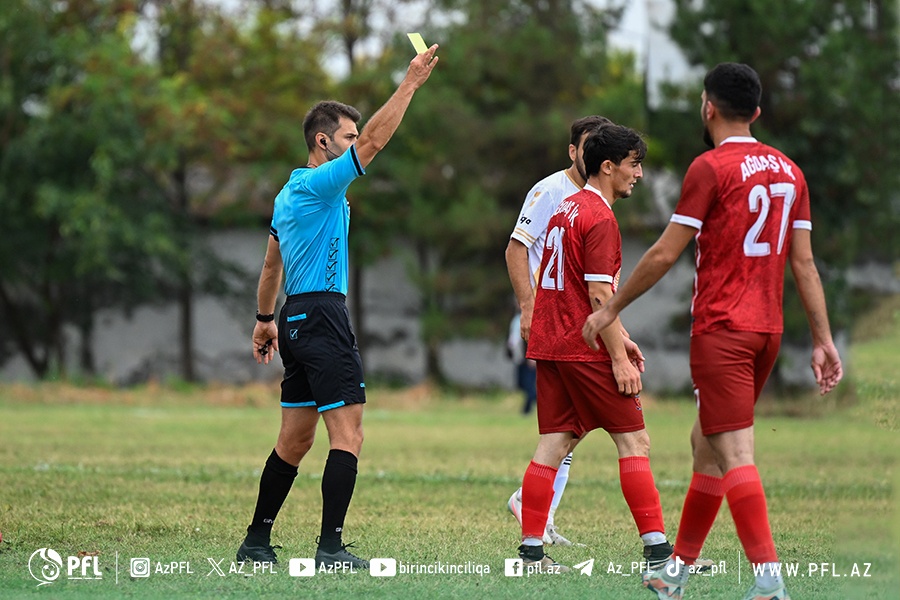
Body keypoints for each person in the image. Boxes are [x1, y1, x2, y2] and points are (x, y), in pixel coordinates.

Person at [582, 63, 843, 600]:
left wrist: (610, 310)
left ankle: (769, 582)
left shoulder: (710, 167)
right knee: (706, 445)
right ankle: (674, 571)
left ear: (708, 107)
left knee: (735, 454)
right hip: (767, 331)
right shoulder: (791, 172)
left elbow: (664, 253)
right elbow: (804, 264)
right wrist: (822, 340)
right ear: (757, 112)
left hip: (723, 330)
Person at [236, 44, 440, 569]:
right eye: (346, 137)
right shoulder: (319, 186)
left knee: (294, 441)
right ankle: (330, 548)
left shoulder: (287, 194)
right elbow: (374, 143)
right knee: (348, 434)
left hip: (293, 317)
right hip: (323, 316)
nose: (355, 142)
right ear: (322, 142)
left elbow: (270, 269)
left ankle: (256, 542)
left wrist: (264, 321)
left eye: (353, 136)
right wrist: (410, 83)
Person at [515, 124, 677, 573]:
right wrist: (618, 359)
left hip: (551, 344)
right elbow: (599, 295)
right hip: (582, 348)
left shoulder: (565, 208)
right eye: (634, 164)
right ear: (608, 166)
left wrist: (620, 336)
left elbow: (572, 288)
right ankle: (658, 554)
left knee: (553, 444)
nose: (638, 174)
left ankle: (531, 553)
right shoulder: (600, 218)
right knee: (634, 441)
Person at [504, 115, 611, 547]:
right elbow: (516, 249)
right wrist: (528, 307)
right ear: (573, 151)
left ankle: (534, 509)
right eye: (588, 146)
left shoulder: (600, 194)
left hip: (582, 322)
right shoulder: (550, 190)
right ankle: (535, 511)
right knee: (577, 423)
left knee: (570, 427)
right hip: (556, 323)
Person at [507, 312, 537, 415]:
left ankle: (527, 409)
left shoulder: (531, 316)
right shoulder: (516, 319)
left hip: (528, 359)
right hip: (519, 359)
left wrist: (533, 356)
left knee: (528, 384)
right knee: (521, 384)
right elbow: (513, 339)